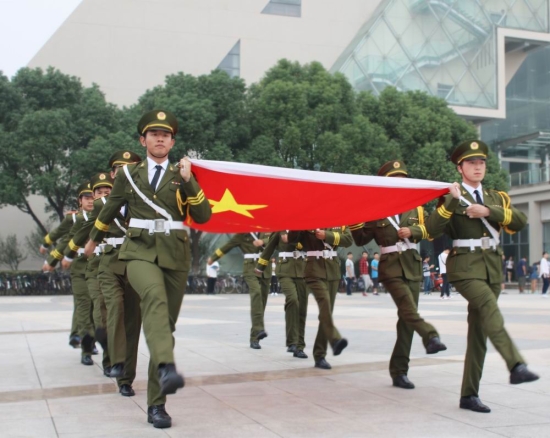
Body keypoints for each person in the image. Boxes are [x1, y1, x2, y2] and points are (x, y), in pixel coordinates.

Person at [84, 110, 212, 429]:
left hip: (175, 255)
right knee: (153, 297)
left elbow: (204, 216)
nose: (160, 139)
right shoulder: (129, 175)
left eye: (165, 135)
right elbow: (109, 210)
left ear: (172, 142)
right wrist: (92, 240)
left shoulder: (182, 175)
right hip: (139, 251)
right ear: (143, 140)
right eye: (154, 134)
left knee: (163, 327)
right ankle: (167, 366)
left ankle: (157, 405)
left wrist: (189, 180)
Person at [419, 140, 539, 413]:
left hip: (491, 268)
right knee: (488, 307)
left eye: (481, 162)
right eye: (471, 163)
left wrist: (488, 211)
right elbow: (432, 230)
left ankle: (468, 395)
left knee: (479, 332)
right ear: (460, 168)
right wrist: (451, 201)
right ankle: (516, 365)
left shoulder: (497, 198)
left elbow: (520, 221)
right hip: (465, 268)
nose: (477, 167)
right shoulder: (451, 196)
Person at [350, 160, 447, 390]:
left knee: (406, 319)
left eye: (403, 179)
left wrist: (412, 230)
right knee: (408, 308)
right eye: (395, 180)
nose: (400, 183)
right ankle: (430, 336)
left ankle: (399, 371)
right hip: (390, 266)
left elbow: (427, 232)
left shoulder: (416, 207)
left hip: (411, 265)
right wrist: (354, 214)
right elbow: (361, 239)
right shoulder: (376, 208)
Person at [65, 151, 143, 396]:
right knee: (111, 311)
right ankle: (113, 361)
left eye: (130, 167)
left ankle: (126, 378)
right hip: (109, 264)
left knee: (132, 323)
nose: (124, 171)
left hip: (138, 265)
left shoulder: (146, 200)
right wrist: (67, 254)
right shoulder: (101, 205)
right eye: (119, 168)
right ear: (112, 174)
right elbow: (84, 230)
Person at [43, 182, 97, 366]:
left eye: (93, 197)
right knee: (83, 305)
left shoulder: (106, 216)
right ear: (80, 201)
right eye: (86, 198)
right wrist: (52, 260)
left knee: (95, 309)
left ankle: (89, 339)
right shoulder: (76, 219)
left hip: (99, 268)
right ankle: (86, 347)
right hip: (80, 268)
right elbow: (66, 240)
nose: (90, 201)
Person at [288, 227, 352, 370]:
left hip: (333, 270)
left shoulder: (338, 218)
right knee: (325, 302)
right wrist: (296, 223)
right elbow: (292, 240)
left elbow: (348, 240)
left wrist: (326, 235)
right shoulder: (307, 219)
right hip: (314, 269)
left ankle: (319, 355)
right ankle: (335, 339)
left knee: (327, 312)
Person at [209, 232, 272, 349]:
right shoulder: (242, 234)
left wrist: (263, 241)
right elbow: (227, 246)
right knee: (256, 293)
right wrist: (213, 258)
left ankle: (255, 337)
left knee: (261, 303)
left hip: (265, 268)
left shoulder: (266, 229)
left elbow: (275, 239)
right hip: (250, 268)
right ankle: (258, 330)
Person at [256, 232, 308, 358]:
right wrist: (260, 267)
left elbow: (310, 246)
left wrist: (293, 240)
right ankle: (292, 342)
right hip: (285, 270)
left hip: (303, 270)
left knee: (302, 308)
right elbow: (269, 248)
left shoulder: (304, 229)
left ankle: (299, 347)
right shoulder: (280, 230)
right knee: (292, 299)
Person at [39, 206, 80, 348]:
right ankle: (81, 336)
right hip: (81, 263)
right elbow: (65, 237)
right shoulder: (74, 218)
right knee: (83, 302)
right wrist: (51, 258)